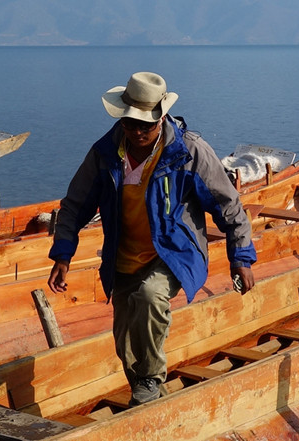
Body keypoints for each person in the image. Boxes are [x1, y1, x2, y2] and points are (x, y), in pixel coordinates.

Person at [47, 71, 256, 406]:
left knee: (150, 297)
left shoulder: (189, 152)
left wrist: (241, 258)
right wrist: (63, 255)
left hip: (174, 252)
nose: (139, 131)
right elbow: (75, 205)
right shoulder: (105, 153)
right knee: (124, 339)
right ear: (123, 118)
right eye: (132, 124)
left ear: (161, 118)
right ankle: (150, 397)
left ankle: (150, 379)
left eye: (147, 124)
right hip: (124, 255)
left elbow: (227, 204)